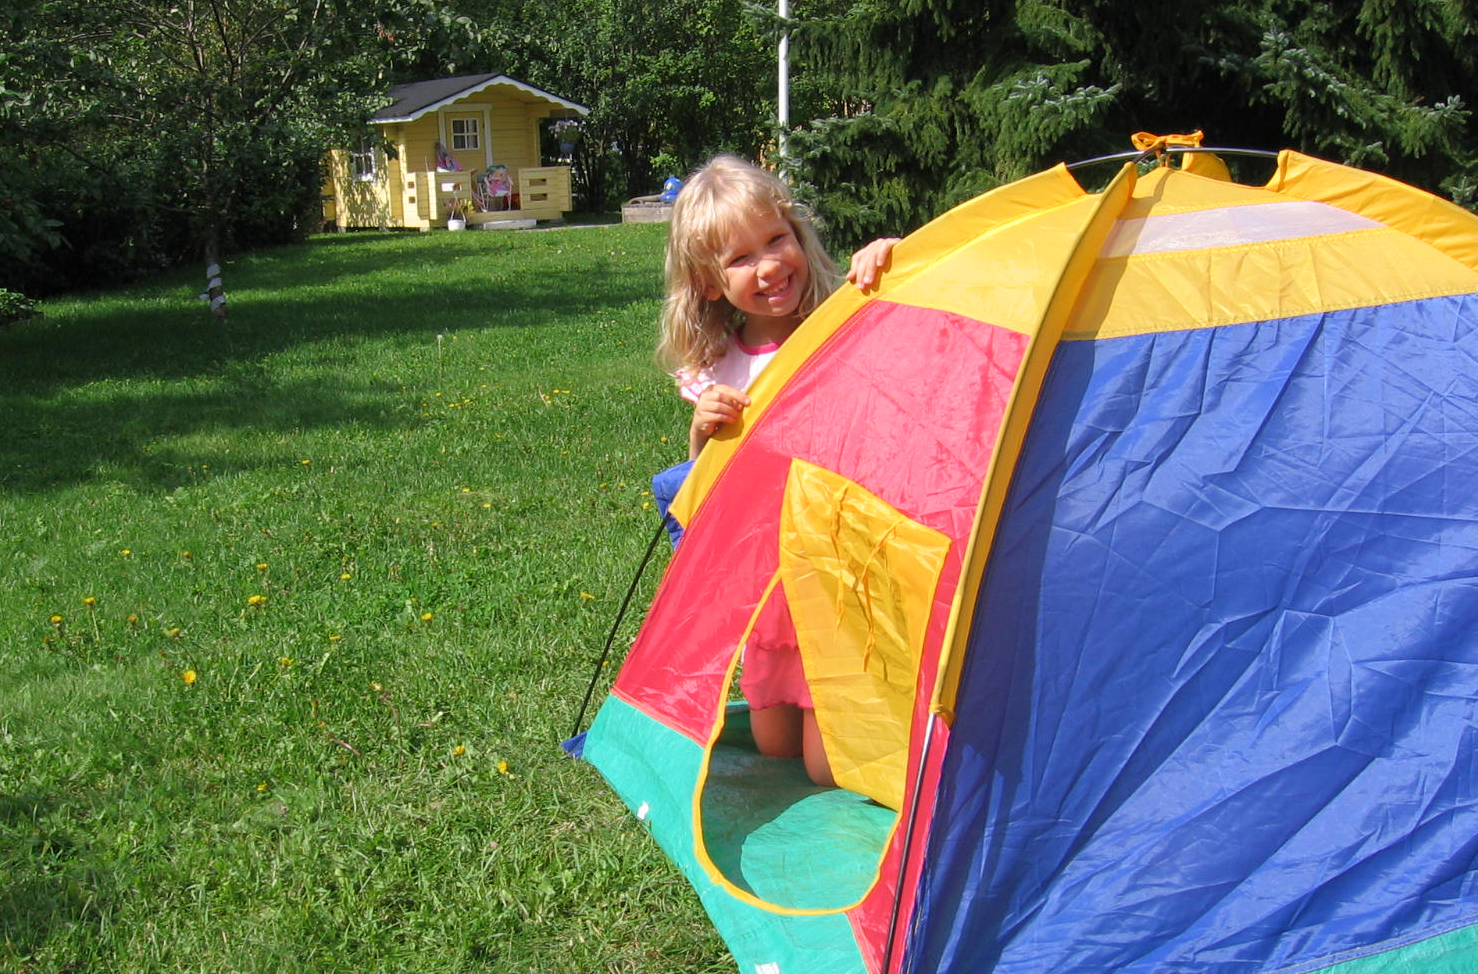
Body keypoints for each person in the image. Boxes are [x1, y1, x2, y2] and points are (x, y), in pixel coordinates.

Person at [654, 153, 898, 787]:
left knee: (823, 769)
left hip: (829, 572)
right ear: (708, 284)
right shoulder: (722, 367)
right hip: (766, 581)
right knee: (773, 748)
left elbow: (910, 300)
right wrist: (700, 429)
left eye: (776, 239)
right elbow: (704, 491)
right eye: (739, 259)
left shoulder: (838, 322)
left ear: (797, 233)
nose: (768, 266)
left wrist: (889, 256)